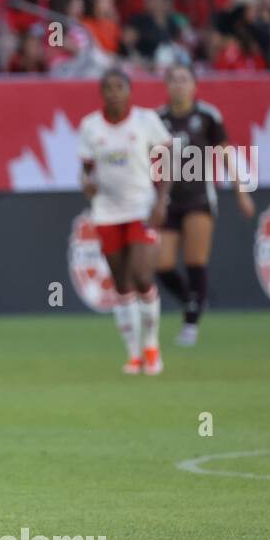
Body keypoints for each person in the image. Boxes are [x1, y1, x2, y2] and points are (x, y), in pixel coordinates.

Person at [77, 68, 171, 375]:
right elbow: (86, 170)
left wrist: (161, 200)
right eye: (108, 88)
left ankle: (152, 345)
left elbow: (167, 159)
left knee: (143, 275)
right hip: (107, 211)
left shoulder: (146, 121)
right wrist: (87, 184)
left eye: (119, 87)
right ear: (101, 93)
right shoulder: (90, 126)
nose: (114, 93)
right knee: (121, 283)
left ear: (129, 91)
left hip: (141, 207)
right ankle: (132, 354)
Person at [155, 64, 255, 346]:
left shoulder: (208, 116)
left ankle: (190, 325)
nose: (179, 85)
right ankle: (192, 299)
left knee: (195, 260)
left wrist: (241, 192)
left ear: (194, 86)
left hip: (198, 197)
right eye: (173, 80)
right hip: (167, 200)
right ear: (166, 86)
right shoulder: (157, 119)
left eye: (184, 80)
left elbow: (226, 155)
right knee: (162, 264)